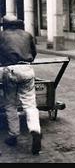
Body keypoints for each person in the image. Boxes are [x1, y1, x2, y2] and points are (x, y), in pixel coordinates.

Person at [0, 15, 42, 155]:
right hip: (27, 69)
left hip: (9, 70)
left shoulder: (1, 35)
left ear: (5, 25)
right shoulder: (27, 34)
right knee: (30, 104)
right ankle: (35, 130)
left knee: (10, 104)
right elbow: (34, 53)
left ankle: (13, 135)